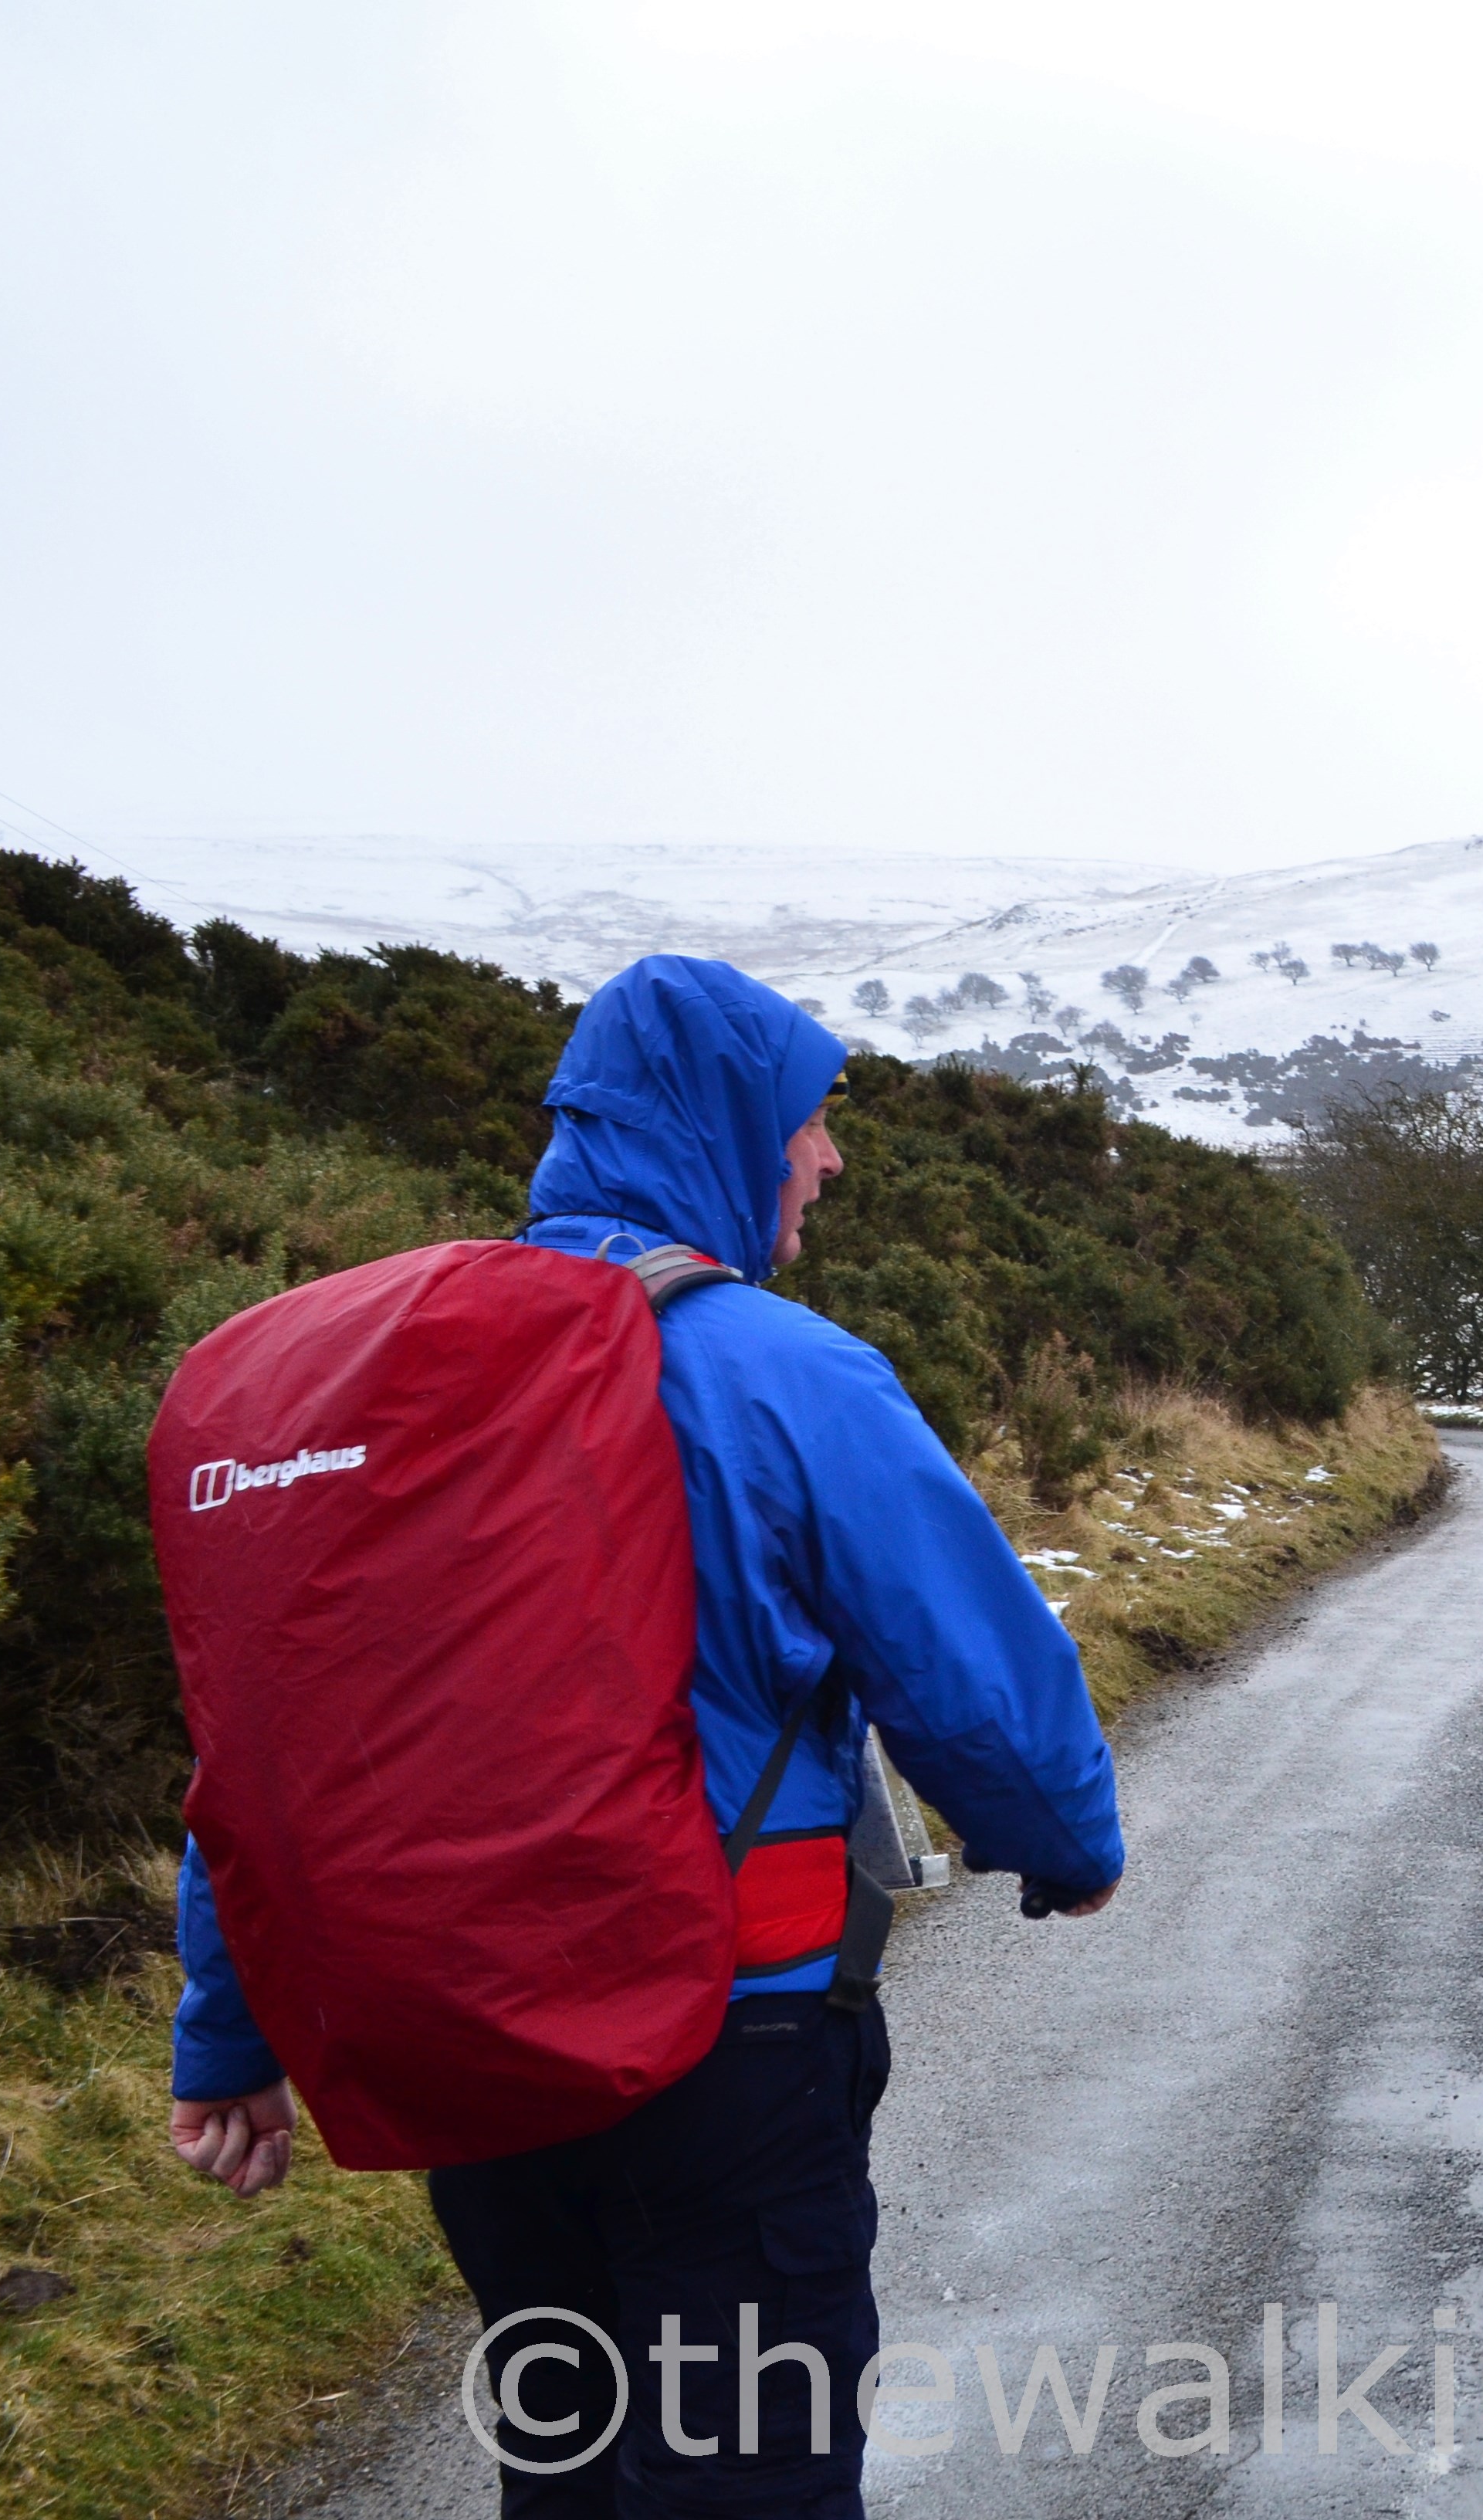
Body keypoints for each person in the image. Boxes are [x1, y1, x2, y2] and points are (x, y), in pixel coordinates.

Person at [165, 955, 1129, 2516]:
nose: (830, 1156)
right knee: (750, 2473)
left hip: (476, 2047)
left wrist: (229, 2025)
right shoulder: (786, 1371)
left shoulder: (406, 1383)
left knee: (566, 2466)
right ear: (726, 1126)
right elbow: (971, 1676)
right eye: (810, 1120)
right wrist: (1063, 1843)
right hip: (728, 2040)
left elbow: (289, 1732)